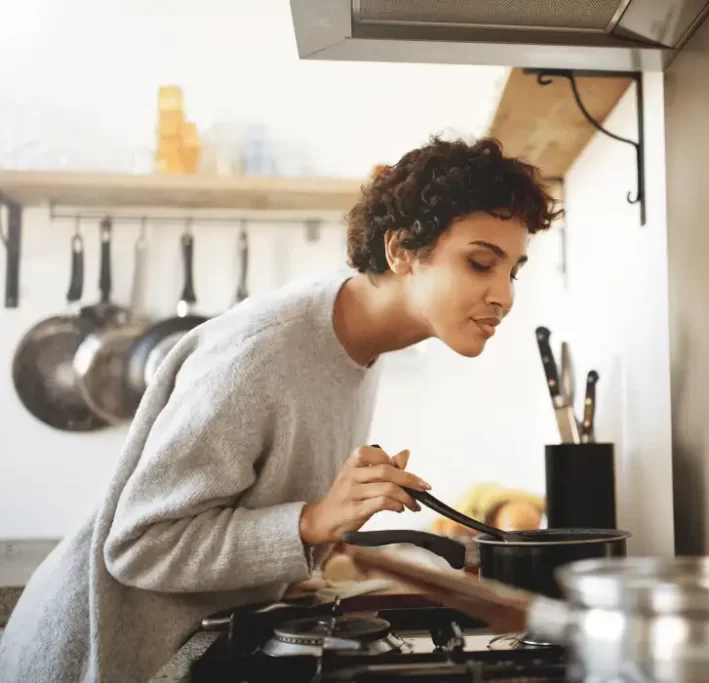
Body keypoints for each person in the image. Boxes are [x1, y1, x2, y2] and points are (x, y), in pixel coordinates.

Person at [0, 136, 559, 682]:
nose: (505, 295)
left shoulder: (360, 338)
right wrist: (312, 522)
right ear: (401, 250)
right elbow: (140, 546)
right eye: (481, 263)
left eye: (513, 270)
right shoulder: (262, 353)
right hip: (94, 654)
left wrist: (317, 541)